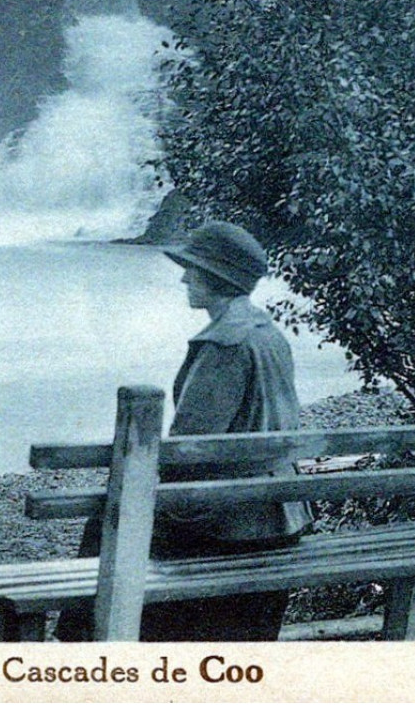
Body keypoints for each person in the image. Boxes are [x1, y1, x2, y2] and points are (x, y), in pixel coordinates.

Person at [54, 219, 311, 641]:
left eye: (192, 268)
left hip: (237, 523)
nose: (184, 277)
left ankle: (87, 647)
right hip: (280, 511)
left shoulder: (223, 345)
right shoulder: (269, 334)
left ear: (216, 277)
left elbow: (187, 452)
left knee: (111, 517)